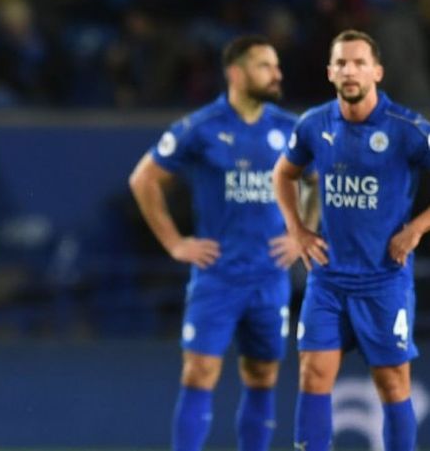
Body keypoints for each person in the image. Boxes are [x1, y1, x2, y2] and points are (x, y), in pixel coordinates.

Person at [129, 35, 318, 451]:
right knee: (198, 372)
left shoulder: (289, 128)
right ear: (236, 72)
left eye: (276, 65)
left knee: (263, 375)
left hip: (269, 277)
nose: (277, 74)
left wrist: (300, 234)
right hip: (217, 277)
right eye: (265, 66)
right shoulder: (201, 127)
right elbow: (143, 179)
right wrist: (176, 244)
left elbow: (316, 182)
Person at [273, 29, 430, 451]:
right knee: (312, 373)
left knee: (393, 382)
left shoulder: (407, 129)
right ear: (330, 72)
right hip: (329, 279)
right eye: (342, 62)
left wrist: (416, 228)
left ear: (377, 72)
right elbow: (283, 174)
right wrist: (298, 230)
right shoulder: (313, 124)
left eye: (360, 62)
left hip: (384, 280)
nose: (350, 70)